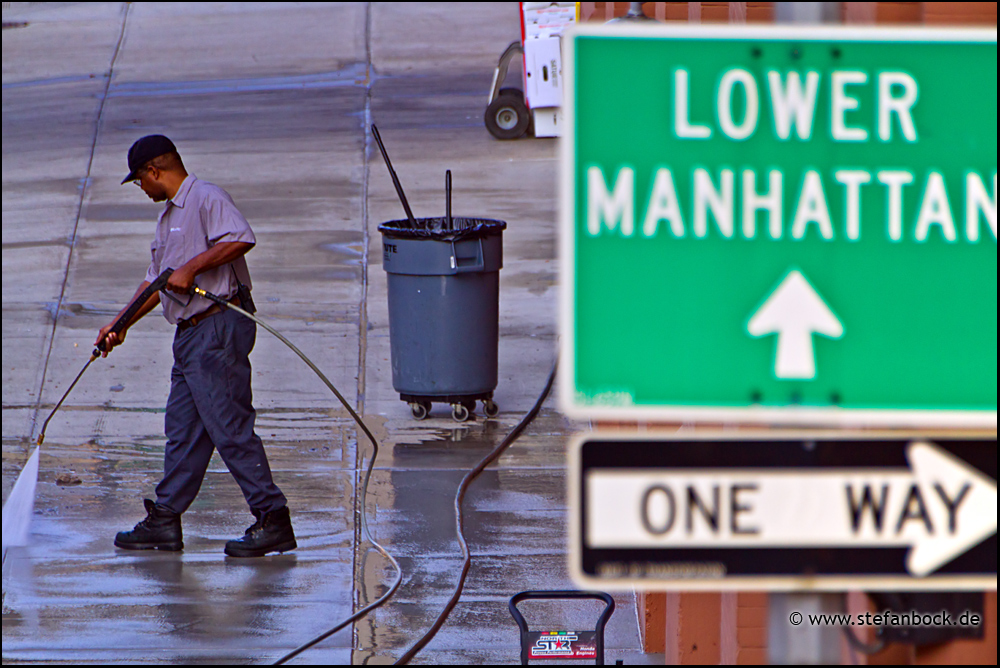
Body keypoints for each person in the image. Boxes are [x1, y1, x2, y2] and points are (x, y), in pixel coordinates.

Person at [97, 135, 295, 558]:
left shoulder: (205, 197)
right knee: (183, 430)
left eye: (139, 182)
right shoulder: (168, 219)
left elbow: (241, 237)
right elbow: (156, 282)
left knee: (230, 428)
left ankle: (273, 518)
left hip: (218, 327)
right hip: (189, 335)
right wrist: (120, 323)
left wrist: (192, 266)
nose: (142, 190)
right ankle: (165, 520)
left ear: (154, 171)